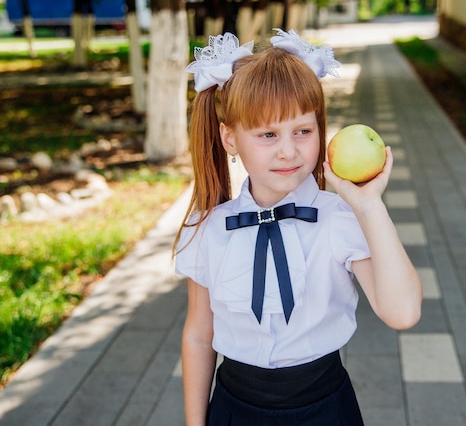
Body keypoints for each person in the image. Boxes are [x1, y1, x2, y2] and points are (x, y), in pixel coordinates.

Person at [174, 29, 422, 426]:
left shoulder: (340, 217)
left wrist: (369, 206)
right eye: (268, 134)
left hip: (324, 407)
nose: (288, 150)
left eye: (303, 131)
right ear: (230, 138)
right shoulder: (208, 228)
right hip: (233, 409)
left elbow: (403, 312)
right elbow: (200, 335)